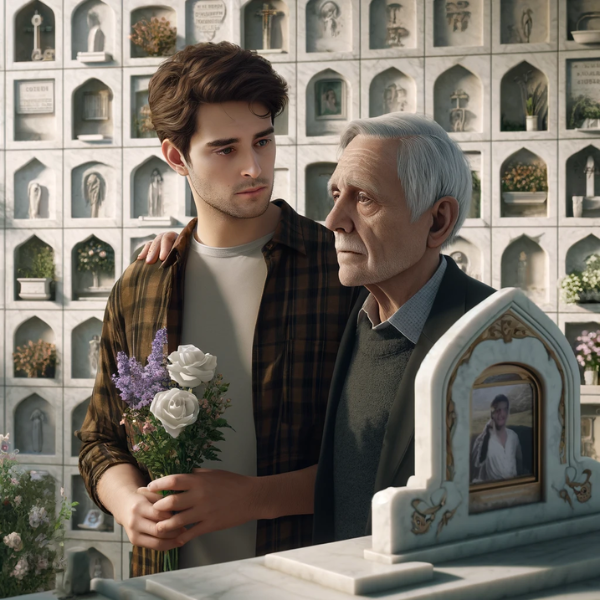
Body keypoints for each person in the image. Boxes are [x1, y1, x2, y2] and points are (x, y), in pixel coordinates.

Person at [145, 113, 497, 545]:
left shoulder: (493, 340)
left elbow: (503, 515)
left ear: (438, 221)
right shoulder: (360, 315)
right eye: (335, 194)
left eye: (364, 199)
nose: (333, 220)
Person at [77, 41, 358, 577]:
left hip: (304, 580)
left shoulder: (341, 271)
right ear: (177, 157)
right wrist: (127, 503)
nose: (255, 167)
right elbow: (100, 438)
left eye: (264, 141)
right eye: (225, 149)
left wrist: (253, 499)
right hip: (166, 582)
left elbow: (390, 451)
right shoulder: (141, 287)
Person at [471, 394, 523, 483]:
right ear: (492, 414)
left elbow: (519, 461)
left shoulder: (513, 436)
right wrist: (487, 432)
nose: (501, 413)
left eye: (505, 409)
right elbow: (476, 463)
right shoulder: (483, 439)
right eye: (498, 410)